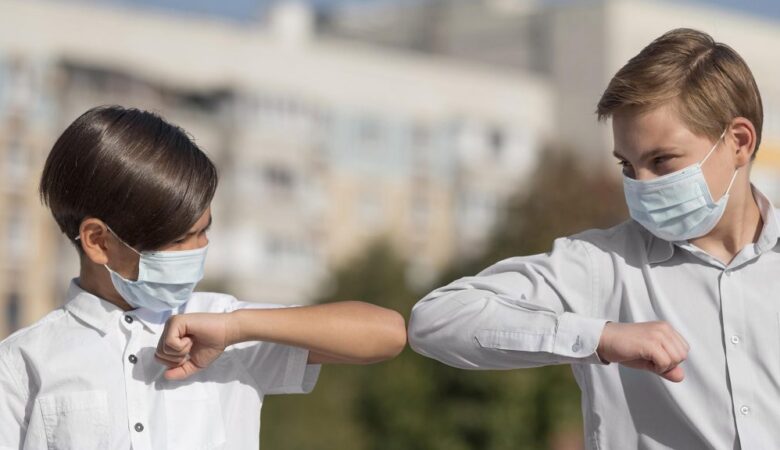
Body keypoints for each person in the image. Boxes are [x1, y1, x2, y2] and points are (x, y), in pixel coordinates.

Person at [408, 28, 775, 449]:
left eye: (661, 160)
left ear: (740, 142)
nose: (641, 184)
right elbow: (436, 321)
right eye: (628, 166)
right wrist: (599, 338)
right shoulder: (601, 264)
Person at [0, 106, 407, 449]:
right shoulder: (23, 361)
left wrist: (237, 326)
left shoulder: (224, 326)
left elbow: (386, 333)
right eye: (179, 239)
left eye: (204, 230)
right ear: (98, 241)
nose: (198, 250)